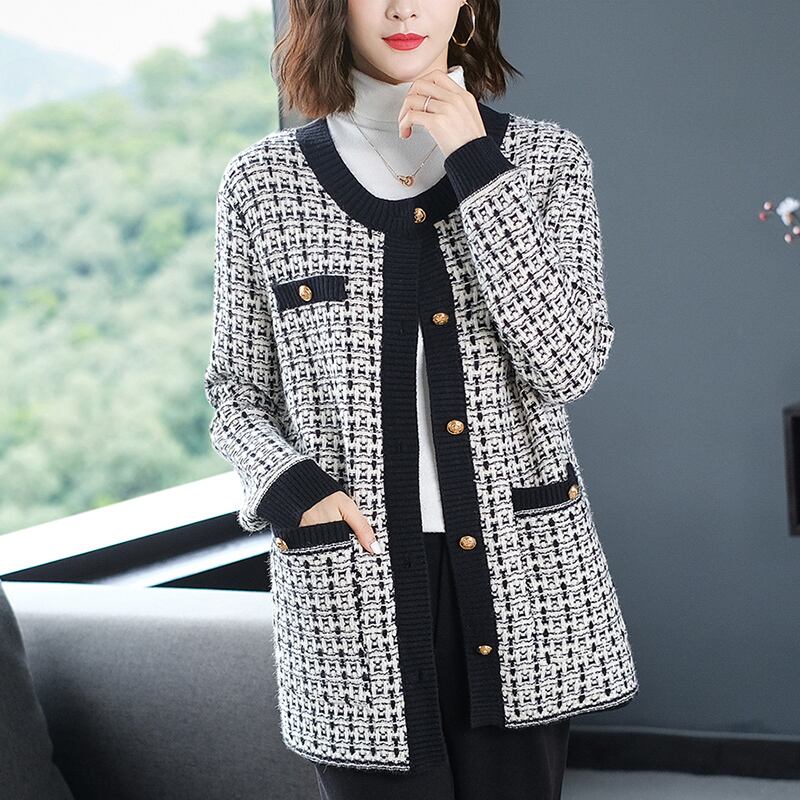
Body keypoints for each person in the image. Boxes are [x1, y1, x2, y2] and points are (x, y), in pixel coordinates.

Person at [204, 1, 640, 798]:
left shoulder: (546, 163)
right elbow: (236, 392)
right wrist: (295, 490)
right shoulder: (264, 184)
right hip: (352, 583)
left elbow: (567, 364)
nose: (404, 7)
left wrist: (475, 163)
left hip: (521, 581)